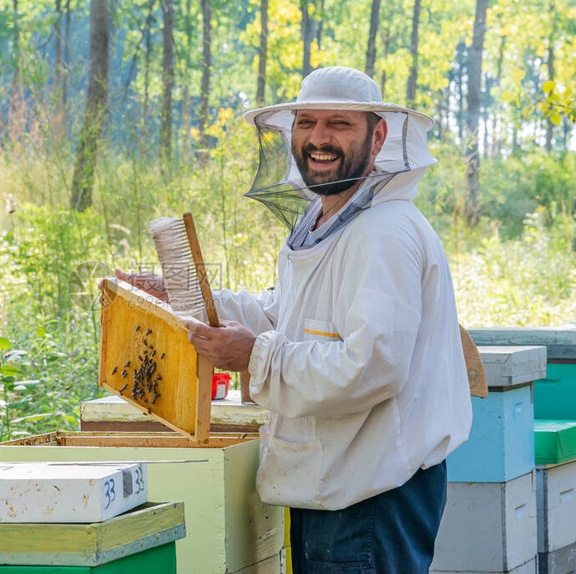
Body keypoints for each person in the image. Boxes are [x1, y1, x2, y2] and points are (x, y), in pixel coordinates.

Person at [117, 66, 472, 573]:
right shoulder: (325, 220)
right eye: (306, 123)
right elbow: (284, 317)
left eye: (339, 124)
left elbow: (371, 365)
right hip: (334, 484)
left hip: (371, 495)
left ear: (378, 136)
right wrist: (181, 295)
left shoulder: (383, 232)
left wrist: (253, 355)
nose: (319, 139)